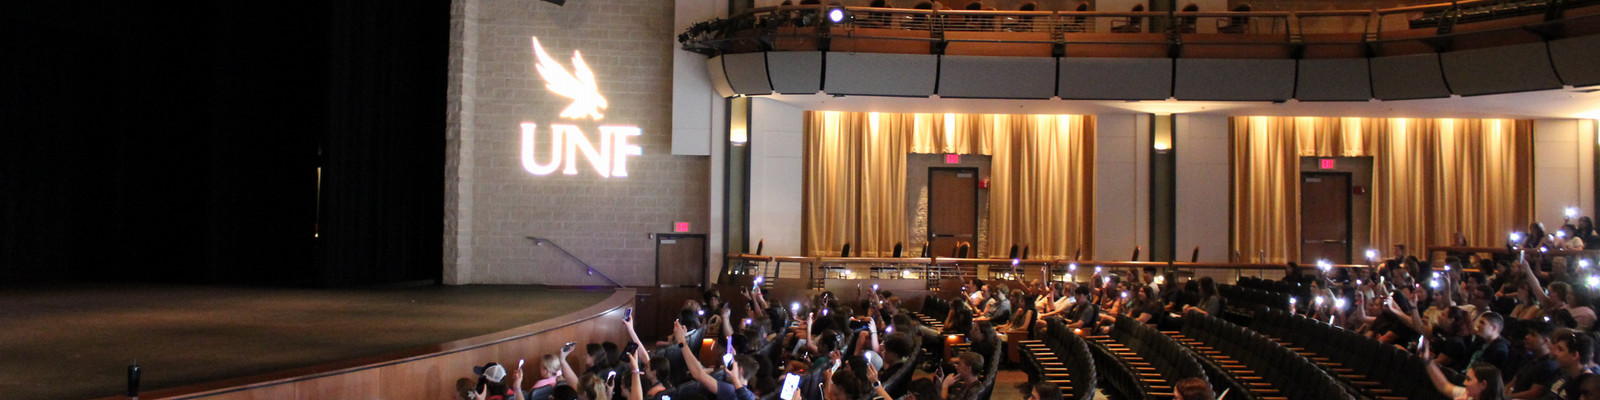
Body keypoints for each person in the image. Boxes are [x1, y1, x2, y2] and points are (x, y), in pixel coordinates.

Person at [1509, 321, 1559, 399]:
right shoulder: (1530, 357)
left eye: (1533, 334)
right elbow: (1514, 381)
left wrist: (1505, 397)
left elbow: (1533, 394)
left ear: (1545, 341)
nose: (1526, 336)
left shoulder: (1548, 365)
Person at [1425, 362, 1506, 400]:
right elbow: (1444, 386)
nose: (1464, 383)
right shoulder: (1469, 395)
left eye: (1469, 379)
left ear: (1483, 385)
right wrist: (1427, 360)